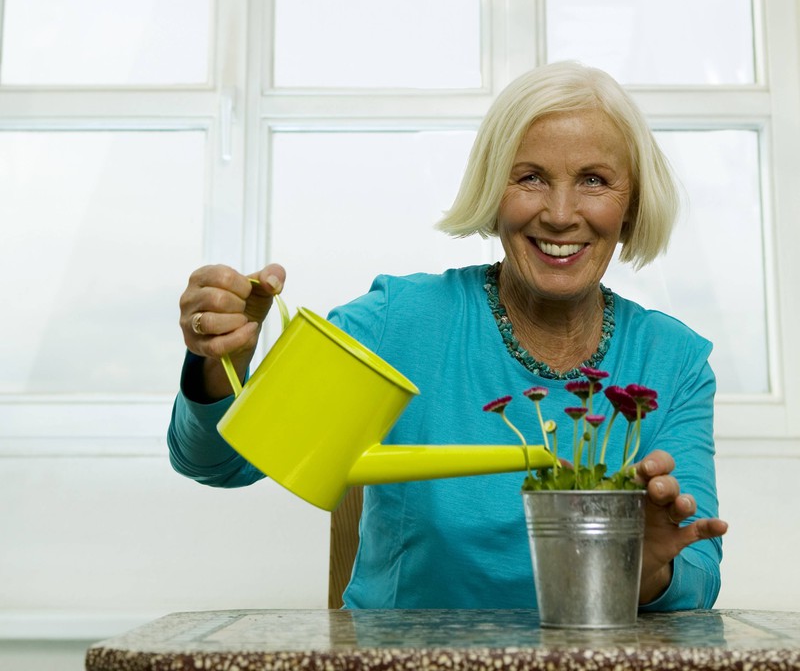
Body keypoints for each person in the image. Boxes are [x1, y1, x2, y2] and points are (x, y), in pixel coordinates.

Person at [169, 60, 728, 610]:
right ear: (493, 189)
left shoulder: (673, 360)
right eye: (530, 177)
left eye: (594, 181)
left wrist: (644, 569)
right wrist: (222, 362)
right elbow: (218, 462)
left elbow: (698, 574)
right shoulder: (400, 322)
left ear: (630, 206)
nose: (560, 214)